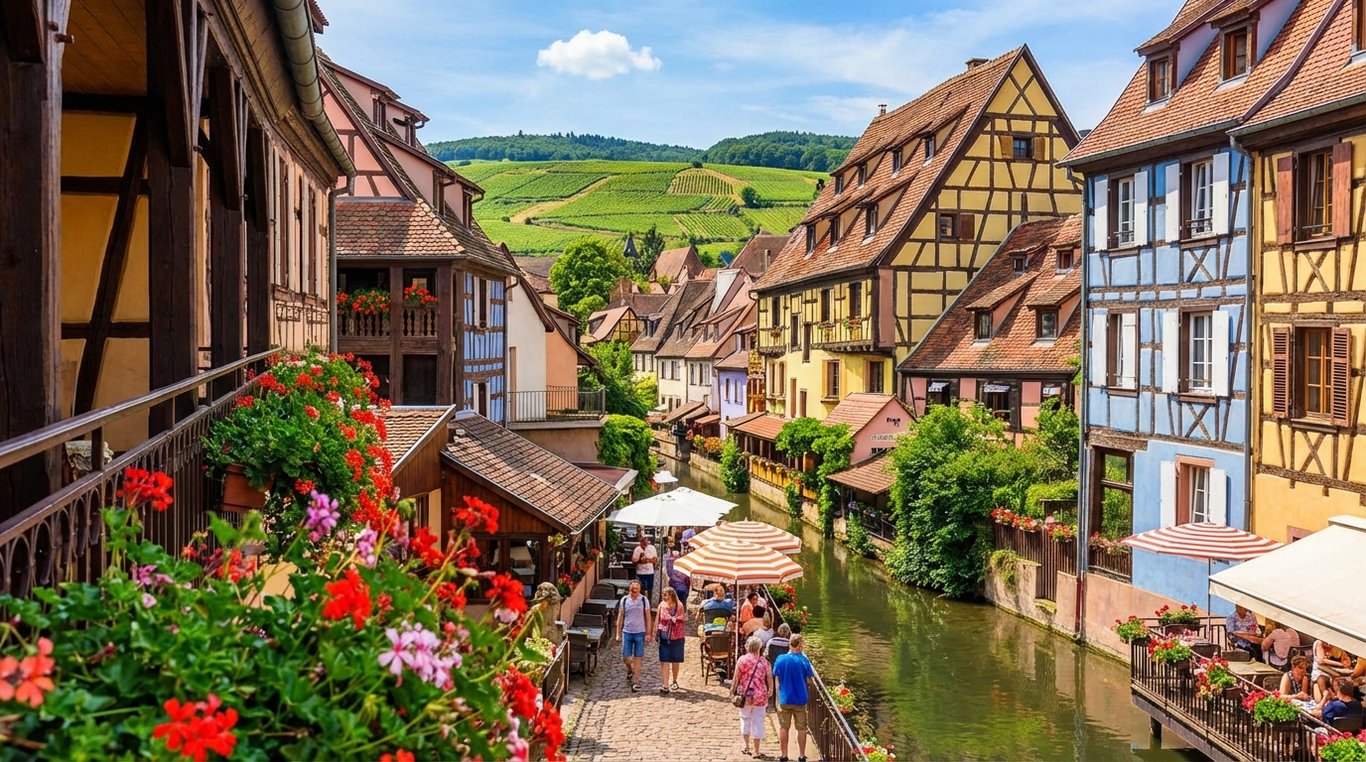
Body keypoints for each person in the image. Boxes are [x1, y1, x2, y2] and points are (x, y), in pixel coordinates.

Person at [772, 633, 816, 762]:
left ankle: (784, 755)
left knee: (784, 727)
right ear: (800, 645)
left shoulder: (780, 659)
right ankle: (801, 755)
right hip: (800, 699)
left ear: (789, 644)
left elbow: (775, 674)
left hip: (785, 698)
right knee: (801, 728)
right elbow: (809, 679)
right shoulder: (803, 660)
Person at [732, 636, 772, 758]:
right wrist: (770, 689)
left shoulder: (742, 660)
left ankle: (746, 746)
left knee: (745, 719)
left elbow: (736, 677)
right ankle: (757, 750)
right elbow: (769, 677)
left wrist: (732, 690)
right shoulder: (764, 661)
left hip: (745, 694)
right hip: (760, 695)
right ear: (759, 648)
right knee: (758, 721)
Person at [614, 580, 652, 693]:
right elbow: (620, 617)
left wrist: (648, 633)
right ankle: (629, 669)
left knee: (638, 657)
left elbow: (648, 617)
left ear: (639, 590)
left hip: (640, 632)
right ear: (629, 589)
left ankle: (636, 681)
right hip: (627, 632)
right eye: (632, 589)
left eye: (636, 589)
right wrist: (618, 633)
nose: (634, 591)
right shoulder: (625, 600)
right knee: (626, 657)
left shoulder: (644, 600)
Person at [656, 587, 687, 694]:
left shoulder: (679, 605)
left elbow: (683, 617)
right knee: (664, 661)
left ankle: (674, 681)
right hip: (664, 636)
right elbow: (657, 619)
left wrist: (677, 618)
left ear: (671, 596)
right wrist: (653, 632)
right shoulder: (661, 605)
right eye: (663, 595)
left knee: (675, 661)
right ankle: (665, 685)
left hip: (677, 636)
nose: (664, 597)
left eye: (666, 595)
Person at [631, 534, 658, 601]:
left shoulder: (652, 548)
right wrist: (640, 560)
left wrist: (648, 560)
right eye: (643, 541)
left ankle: (649, 602)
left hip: (650, 572)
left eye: (646, 541)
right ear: (640, 542)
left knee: (649, 588)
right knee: (641, 588)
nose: (645, 543)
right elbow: (634, 562)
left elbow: (655, 560)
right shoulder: (637, 549)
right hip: (640, 573)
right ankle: (641, 601)